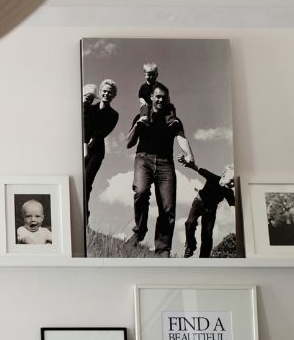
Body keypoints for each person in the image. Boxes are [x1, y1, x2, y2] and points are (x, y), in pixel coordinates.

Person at [125, 84, 193, 256]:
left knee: (167, 207)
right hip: (143, 159)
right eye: (158, 96)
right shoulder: (141, 116)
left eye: (164, 97)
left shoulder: (173, 120)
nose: (161, 99)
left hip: (166, 164)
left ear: (168, 99)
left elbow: (181, 138)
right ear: (152, 98)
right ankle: (139, 231)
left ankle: (162, 248)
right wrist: (137, 126)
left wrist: (189, 154)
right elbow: (128, 143)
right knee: (140, 192)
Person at [81, 79, 119, 229]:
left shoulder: (114, 115)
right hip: (82, 147)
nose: (106, 93)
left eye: (110, 92)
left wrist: (93, 137)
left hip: (97, 152)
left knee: (87, 184)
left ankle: (85, 220)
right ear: (101, 91)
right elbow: (84, 124)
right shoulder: (90, 109)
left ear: (113, 95)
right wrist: (86, 140)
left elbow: (105, 131)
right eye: (104, 90)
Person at [182, 161, 237, 258]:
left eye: (234, 183)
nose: (233, 184)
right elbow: (197, 168)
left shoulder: (229, 192)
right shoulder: (213, 178)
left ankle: (204, 258)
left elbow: (233, 207)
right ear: (224, 174)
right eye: (232, 180)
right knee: (189, 223)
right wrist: (188, 163)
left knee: (207, 235)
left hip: (210, 210)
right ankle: (191, 246)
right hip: (199, 203)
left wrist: (238, 221)